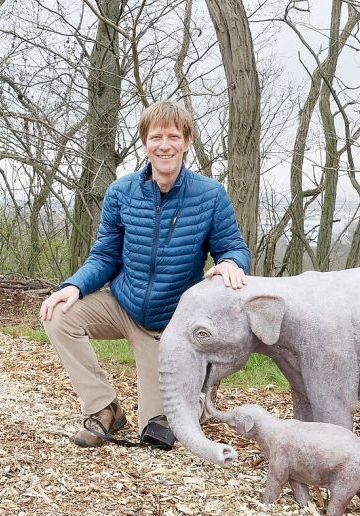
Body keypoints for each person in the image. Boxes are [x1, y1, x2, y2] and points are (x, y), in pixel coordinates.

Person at [40, 100, 251, 449]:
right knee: (58, 315)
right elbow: (105, 255)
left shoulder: (211, 195)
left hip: (169, 323)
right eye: (156, 137)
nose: (164, 145)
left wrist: (231, 262)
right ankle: (104, 408)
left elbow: (234, 248)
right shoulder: (121, 192)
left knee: (158, 431)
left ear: (187, 141)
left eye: (172, 136)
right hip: (123, 302)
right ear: (145, 142)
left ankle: (194, 398)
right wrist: (75, 286)